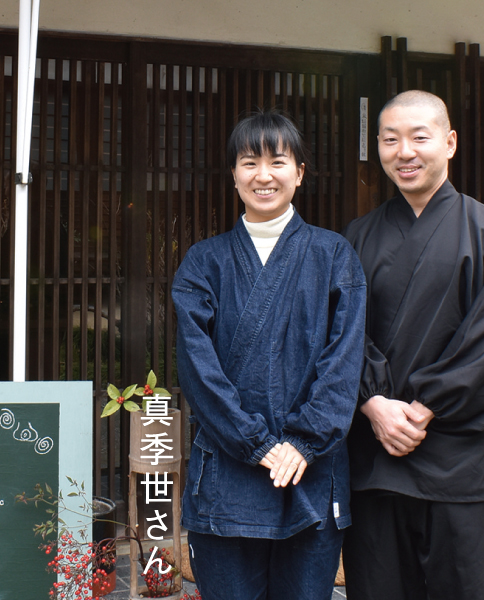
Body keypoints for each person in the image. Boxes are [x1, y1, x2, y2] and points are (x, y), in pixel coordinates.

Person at [342, 90, 484, 599]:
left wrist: (426, 407)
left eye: (419, 137)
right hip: (377, 459)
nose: (404, 151)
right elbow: (339, 334)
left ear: (449, 143)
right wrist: (374, 404)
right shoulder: (357, 238)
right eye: (390, 139)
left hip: (458, 462)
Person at [172, 110, 366, 600]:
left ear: (299, 173)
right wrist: (259, 445)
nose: (263, 175)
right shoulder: (204, 261)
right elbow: (198, 369)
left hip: (311, 473)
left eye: (278, 161)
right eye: (249, 162)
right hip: (228, 476)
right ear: (234, 176)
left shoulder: (334, 255)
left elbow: (344, 361)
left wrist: (303, 441)